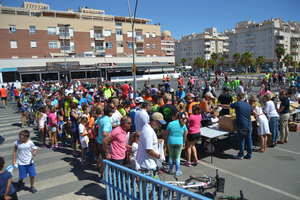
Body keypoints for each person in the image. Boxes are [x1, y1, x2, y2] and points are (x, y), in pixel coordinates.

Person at [230, 93, 252, 159]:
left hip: (242, 124)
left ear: (239, 97)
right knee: (248, 139)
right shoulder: (248, 105)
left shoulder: (238, 103)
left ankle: (241, 154)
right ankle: (249, 154)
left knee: (241, 140)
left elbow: (230, 106)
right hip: (249, 124)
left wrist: (221, 105)